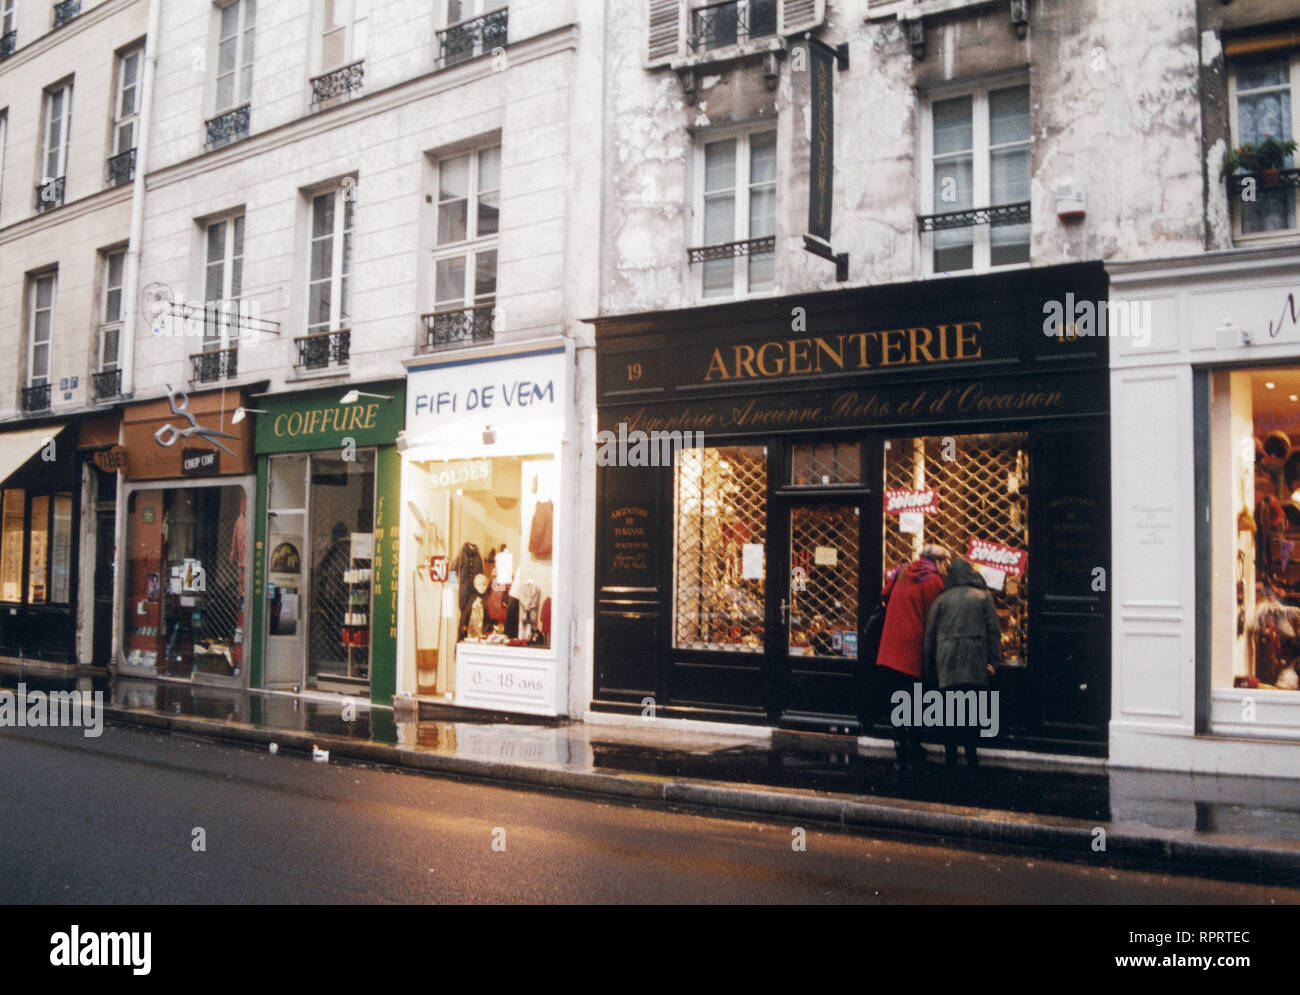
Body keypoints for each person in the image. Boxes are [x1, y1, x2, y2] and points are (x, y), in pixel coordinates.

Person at [875, 543, 950, 765]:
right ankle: (914, 744)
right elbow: (934, 617)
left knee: (897, 695)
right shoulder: (934, 581)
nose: (947, 567)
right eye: (946, 562)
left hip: (891, 644)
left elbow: (884, 594)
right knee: (915, 698)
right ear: (937, 561)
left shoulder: (902, 571)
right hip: (913, 646)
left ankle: (900, 741)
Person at [924, 556, 1002, 768]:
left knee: (950, 710)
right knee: (971, 710)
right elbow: (993, 632)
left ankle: (950, 755)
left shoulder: (941, 600)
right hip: (974, 660)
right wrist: (995, 661)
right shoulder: (983, 597)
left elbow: (930, 635)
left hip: (946, 661)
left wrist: (929, 667)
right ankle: (971, 755)